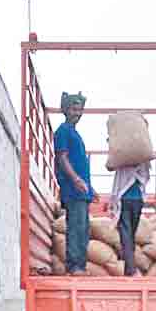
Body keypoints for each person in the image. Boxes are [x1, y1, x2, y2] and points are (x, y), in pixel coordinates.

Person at [54, 92, 97, 276]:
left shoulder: (74, 133)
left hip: (82, 190)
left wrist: (90, 188)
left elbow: (78, 163)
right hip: (73, 190)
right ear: (65, 110)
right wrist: (76, 180)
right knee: (76, 228)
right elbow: (62, 158)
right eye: (73, 109)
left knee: (83, 229)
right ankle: (74, 267)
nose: (77, 113)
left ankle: (80, 266)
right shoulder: (63, 131)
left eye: (79, 110)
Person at [109, 159, 149, 276]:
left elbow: (110, 166)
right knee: (130, 235)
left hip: (124, 198)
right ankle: (130, 269)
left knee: (126, 235)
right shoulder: (142, 157)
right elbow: (146, 176)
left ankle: (130, 269)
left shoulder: (122, 156)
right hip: (137, 199)